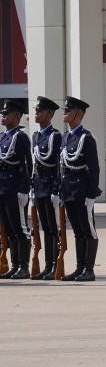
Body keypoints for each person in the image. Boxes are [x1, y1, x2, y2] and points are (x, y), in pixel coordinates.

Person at [57, 97, 103, 282]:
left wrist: (92, 193)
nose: (65, 113)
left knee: (88, 229)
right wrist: (60, 190)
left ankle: (89, 269)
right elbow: (62, 166)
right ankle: (79, 268)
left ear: (78, 113)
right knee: (77, 231)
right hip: (69, 190)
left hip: (83, 191)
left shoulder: (86, 138)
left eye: (68, 110)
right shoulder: (65, 137)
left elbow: (94, 167)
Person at [29, 97, 62, 280]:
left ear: (49, 114)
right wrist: (33, 185)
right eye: (36, 110)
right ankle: (47, 265)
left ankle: (54, 265)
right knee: (43, 227)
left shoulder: (55, 136)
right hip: (40, 184)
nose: (37, 114)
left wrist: (56, 189)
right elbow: (35, 164)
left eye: (40, 111)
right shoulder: (36, 136)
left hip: (50, 185)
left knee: (52, 228)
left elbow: (58, 164)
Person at [0, 100, 32, 279]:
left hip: (14, 187)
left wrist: (24, 189)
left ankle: (24, 266)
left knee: (20, 228)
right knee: (8, 228)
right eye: (2, 113)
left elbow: (27, 164)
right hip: (2, 187)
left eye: (7, 113)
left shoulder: (20, 137)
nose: (3, 116)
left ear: (17, 116)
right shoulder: (2, 136)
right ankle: (14, 265)